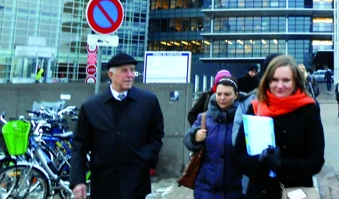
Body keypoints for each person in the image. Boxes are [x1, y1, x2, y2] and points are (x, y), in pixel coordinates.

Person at [70, 53, 164, 199]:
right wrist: (78, 180)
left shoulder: (148, 102)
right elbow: (79, 145)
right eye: (124, 71)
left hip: (136, 182)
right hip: (103, 183)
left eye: (132, 70)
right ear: (110, 75)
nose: (130, 75)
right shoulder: (92, 107)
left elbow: (156, 135)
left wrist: (144, 159)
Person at [233, 55, 325, 198]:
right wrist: (260, 161)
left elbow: (316, 161)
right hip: (260, 192)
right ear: (267, 81)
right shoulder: (256, 108)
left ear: (295, 81)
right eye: (274, 80)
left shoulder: (309, 109)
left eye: (286, 80)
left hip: (295, 192)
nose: (280, 86)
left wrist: (281, 165)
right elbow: (237, 156)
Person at [185, 77, 244, 199]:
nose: (222, 98)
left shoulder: (243, 119)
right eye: (219, 94)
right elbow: (187, 140)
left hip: (236, 190)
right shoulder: (204, 118)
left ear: (236, 95)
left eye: (227, 94)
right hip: (206, 189)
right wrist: (194, 136)